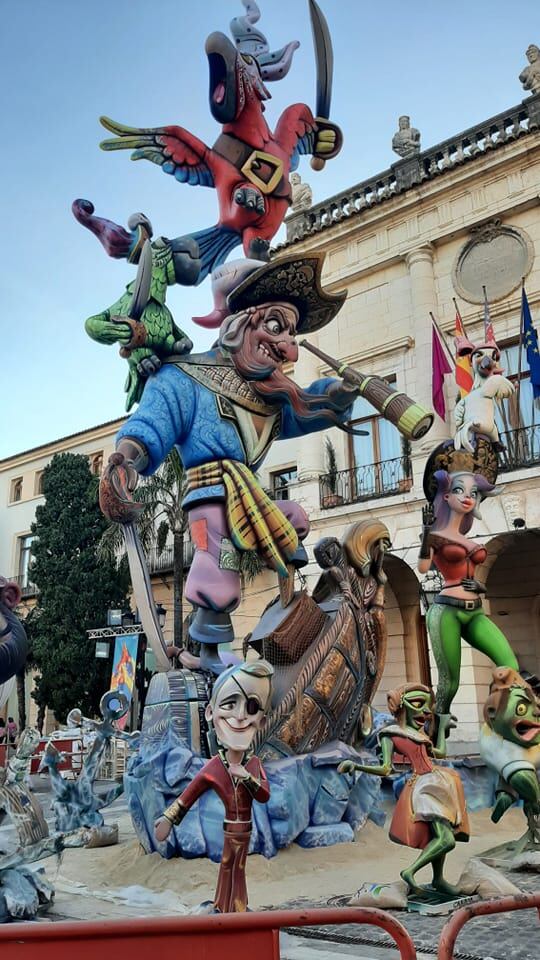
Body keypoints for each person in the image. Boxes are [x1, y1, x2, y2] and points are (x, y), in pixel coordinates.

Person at [154, 660, 273, 913]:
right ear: (210, 712)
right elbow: (188, 796)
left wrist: (246, 777)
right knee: (227, 863)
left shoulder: (253, 764)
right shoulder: (214, 767)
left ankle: (238, 908)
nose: (240, 716)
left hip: (245, 829)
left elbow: (264, 795)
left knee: (239, 866)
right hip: (230, 830)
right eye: (230, 704)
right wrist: (168, 819)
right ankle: (223, 906)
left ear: (261, 721)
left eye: (251, 708)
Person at [339, 683, 469, 900]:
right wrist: (357, 765)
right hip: (425, 787)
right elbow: (385, 768)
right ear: (401, 705)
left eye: (428, 707)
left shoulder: (418, 733)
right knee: (446, 839)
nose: (425, 712)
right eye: (418, 704)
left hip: (439, 782)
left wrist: (443, 728)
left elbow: (440, 753)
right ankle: (410, 871)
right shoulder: (391, 734)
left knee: (439, 835)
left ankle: (438, 879)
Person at [419, 444, 518, 716]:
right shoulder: (437, 535)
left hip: (474, 613)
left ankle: (502, 721)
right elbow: (424, 567)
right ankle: (436, 736)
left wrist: (480, 586)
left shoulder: (468, 539)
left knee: (509, 666)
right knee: (450, 684)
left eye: (473, 493)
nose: (468, 498)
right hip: (446, 611)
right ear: (447, 495)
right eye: (460, 491)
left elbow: (472, 578)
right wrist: (427, 533)